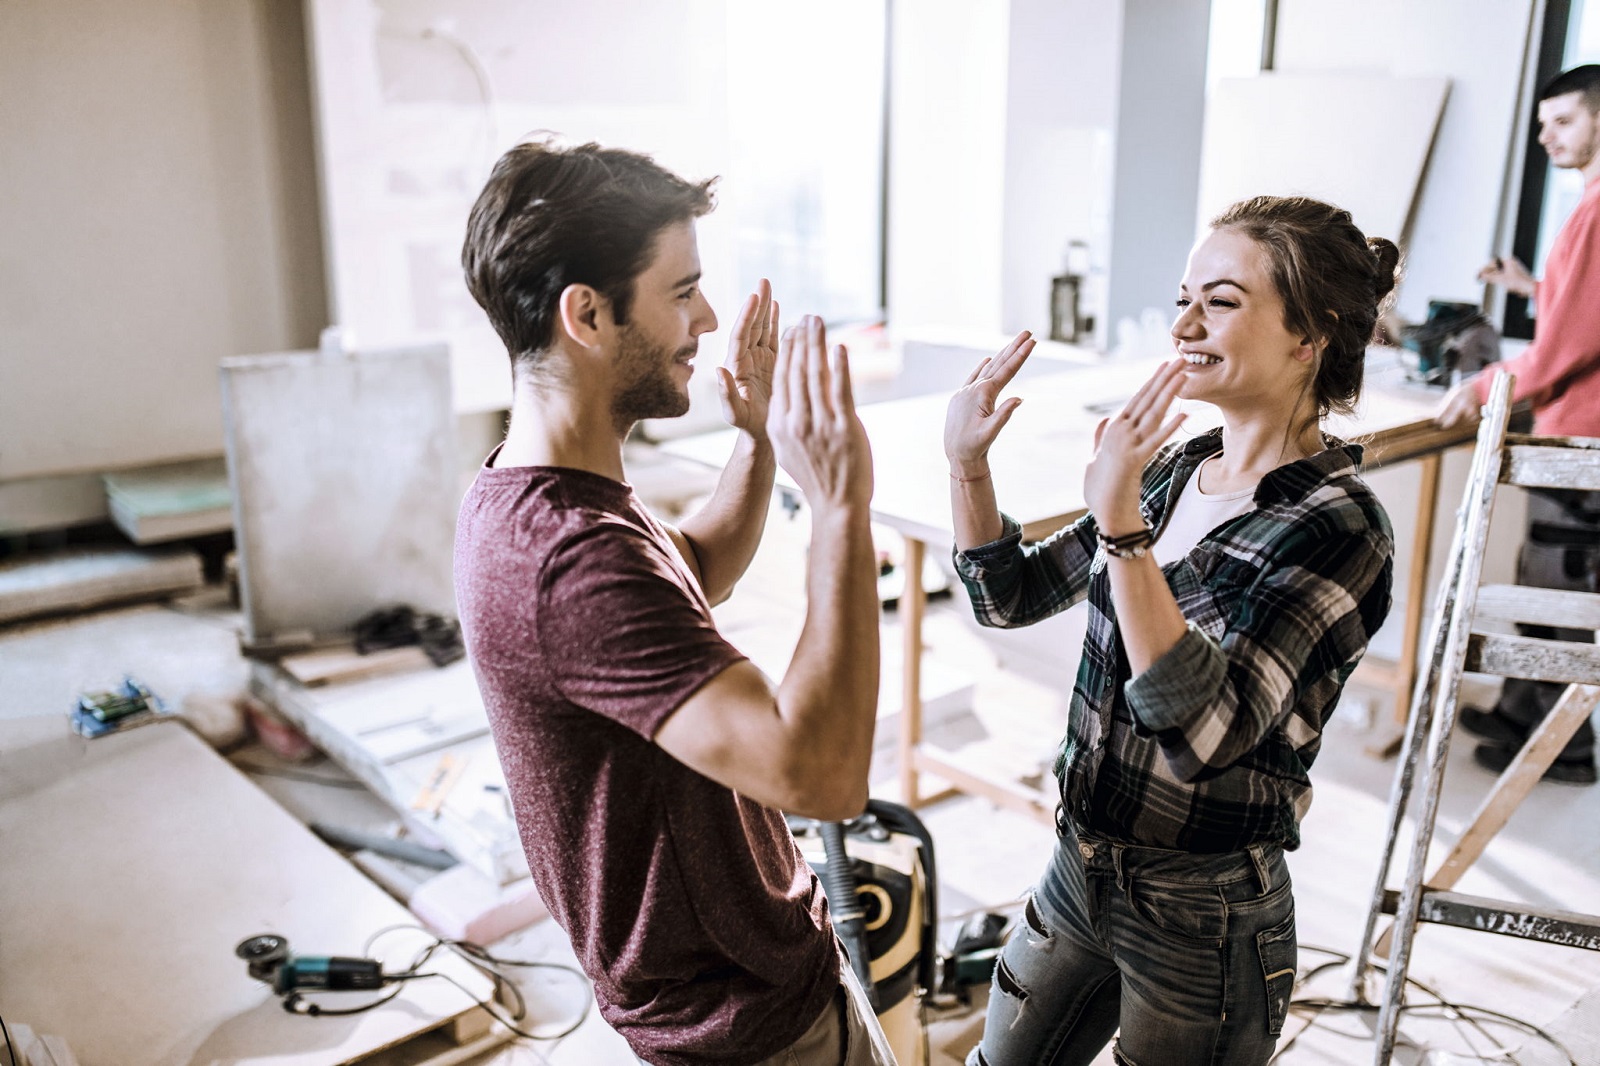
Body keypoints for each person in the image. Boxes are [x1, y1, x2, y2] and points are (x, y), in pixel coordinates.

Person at [454, 138, 895, 1066]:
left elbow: (689, 568)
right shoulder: (572, 560)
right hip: (750, 1032)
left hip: (743, 996)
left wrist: (760, 442)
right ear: (588, 315)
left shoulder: (531, 491)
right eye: (681, 289)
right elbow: (822, 776)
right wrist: (842, 507)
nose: (705, 318)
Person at [945, 196, 1398, 1066]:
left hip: (1207, 912)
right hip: (1079, 866)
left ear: (1310, 336)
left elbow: (1203, 734)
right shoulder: (1177, 470)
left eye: (1220, 301)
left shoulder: (1338, 526)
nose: (1185, 322)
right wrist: (969, 466)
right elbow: (1010, 595)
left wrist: (1121, 527)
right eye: (1184, 296)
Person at [1436, 64, 1600, 787]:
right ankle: (1519, 712)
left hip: (1584, 439)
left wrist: (1479, 386)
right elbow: (1579, 311)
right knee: (1538, 570)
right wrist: (1529, 287)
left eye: (1561, 121)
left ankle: (1568, 746)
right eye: (1542, 123)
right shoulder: (1588, 206)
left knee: (1559, 586)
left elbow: (1566, 346)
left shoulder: (1597, 210)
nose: (1545, 136)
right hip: (1571, 431)